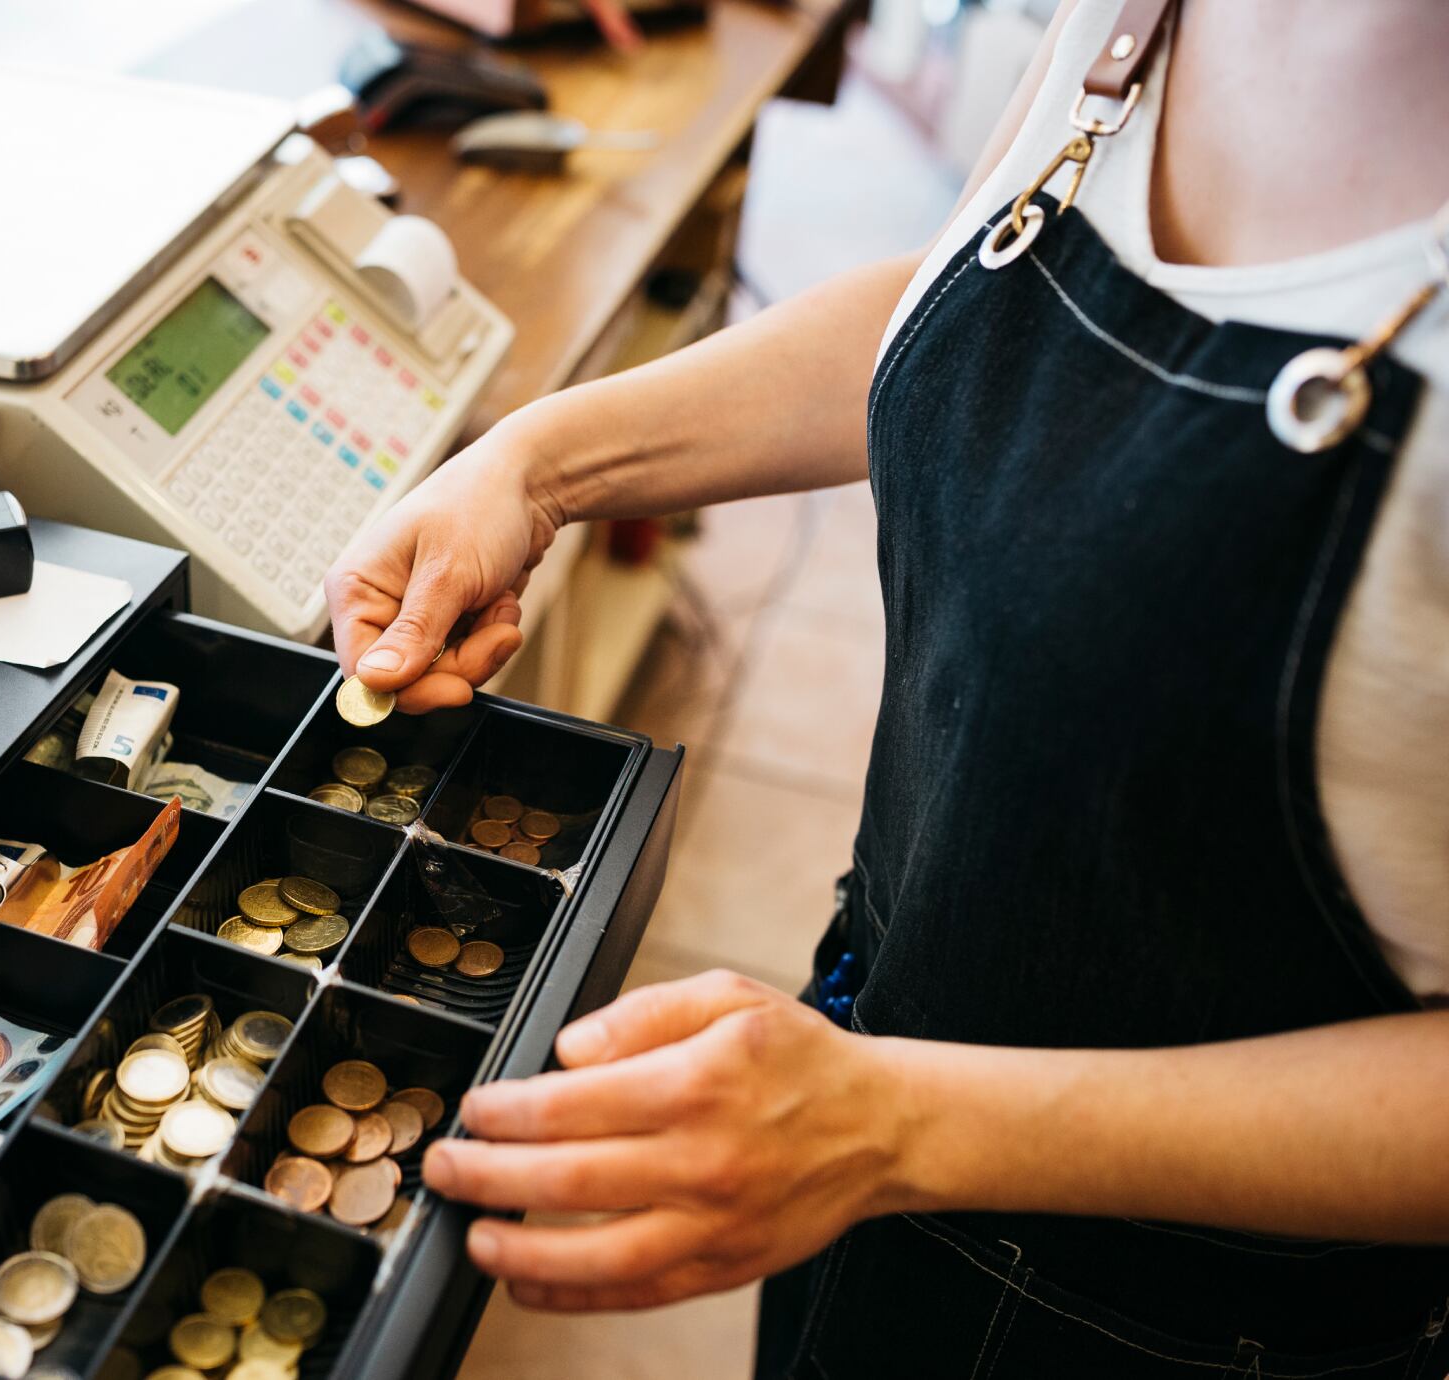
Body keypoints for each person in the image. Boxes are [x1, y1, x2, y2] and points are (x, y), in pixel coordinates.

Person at [321, 0, 1449, 1373]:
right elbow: (974, 285)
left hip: (1202, 1326)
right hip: (877, 1092)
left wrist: (900, 1124)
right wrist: (540, 462)